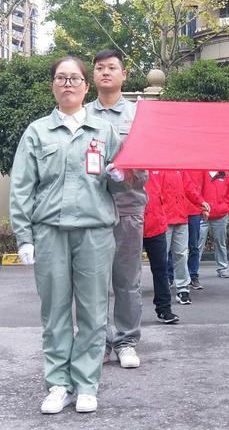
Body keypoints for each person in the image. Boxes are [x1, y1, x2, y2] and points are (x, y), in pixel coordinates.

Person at [10, 56, 134, 414]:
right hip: (50, 233)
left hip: (95, 232)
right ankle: (58, 384)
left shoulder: (104, 131)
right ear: (53, 85)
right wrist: (25, 237)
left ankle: (86, 384)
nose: (68, 84)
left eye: (75, 78)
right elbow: (22, 188)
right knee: (55, 312)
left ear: (85, 86)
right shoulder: (37, 132)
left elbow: (127, 179)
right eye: (61, 78)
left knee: (94, 312)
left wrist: (120, 176)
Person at [86, 50, 148, 369]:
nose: (106, 72)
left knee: (126, 280)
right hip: (91, 211)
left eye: (112, 68)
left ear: (124, 75)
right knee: (93, 282)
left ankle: (125, 340)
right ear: (93, 76)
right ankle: (99, 342)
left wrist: (124, 176)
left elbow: (147, 164)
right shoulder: (81, 115)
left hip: (127, 206)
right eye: (100, 68)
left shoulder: (138, 116)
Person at [155, 170, 210, 304]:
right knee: (162, 256)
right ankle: (162, 289)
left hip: (180, 217)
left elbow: (189, 188)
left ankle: (182, 289)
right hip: (165, 219)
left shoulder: (180, 170)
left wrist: (201, 202)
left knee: (181, 254)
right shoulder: (157, 169)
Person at [143, 171, 179, 324]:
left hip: (157, 224)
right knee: (128, 274)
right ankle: (128, 316)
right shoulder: (129, 159)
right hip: (131, 224)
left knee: (161, 269)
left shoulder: (159, 165)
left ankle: (164, 309)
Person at [198, 171, 229, 278]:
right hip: (203, 214)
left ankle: (223, 268)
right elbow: (196, 191)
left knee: (220, 242)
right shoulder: (202, 172)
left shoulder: (225, 174)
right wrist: (201, 209)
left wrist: (227, 208)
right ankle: (193, 271)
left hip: (220, 215)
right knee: (198, 244)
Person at [184, 170, 206, 289]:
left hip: (194, 211)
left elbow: (204, 190)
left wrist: (204, 207)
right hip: (178, 210)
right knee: (174, 247)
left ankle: (193, 275)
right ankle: (170, 276)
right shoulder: (177, 165)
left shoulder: (200, 168)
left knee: (193, 246)